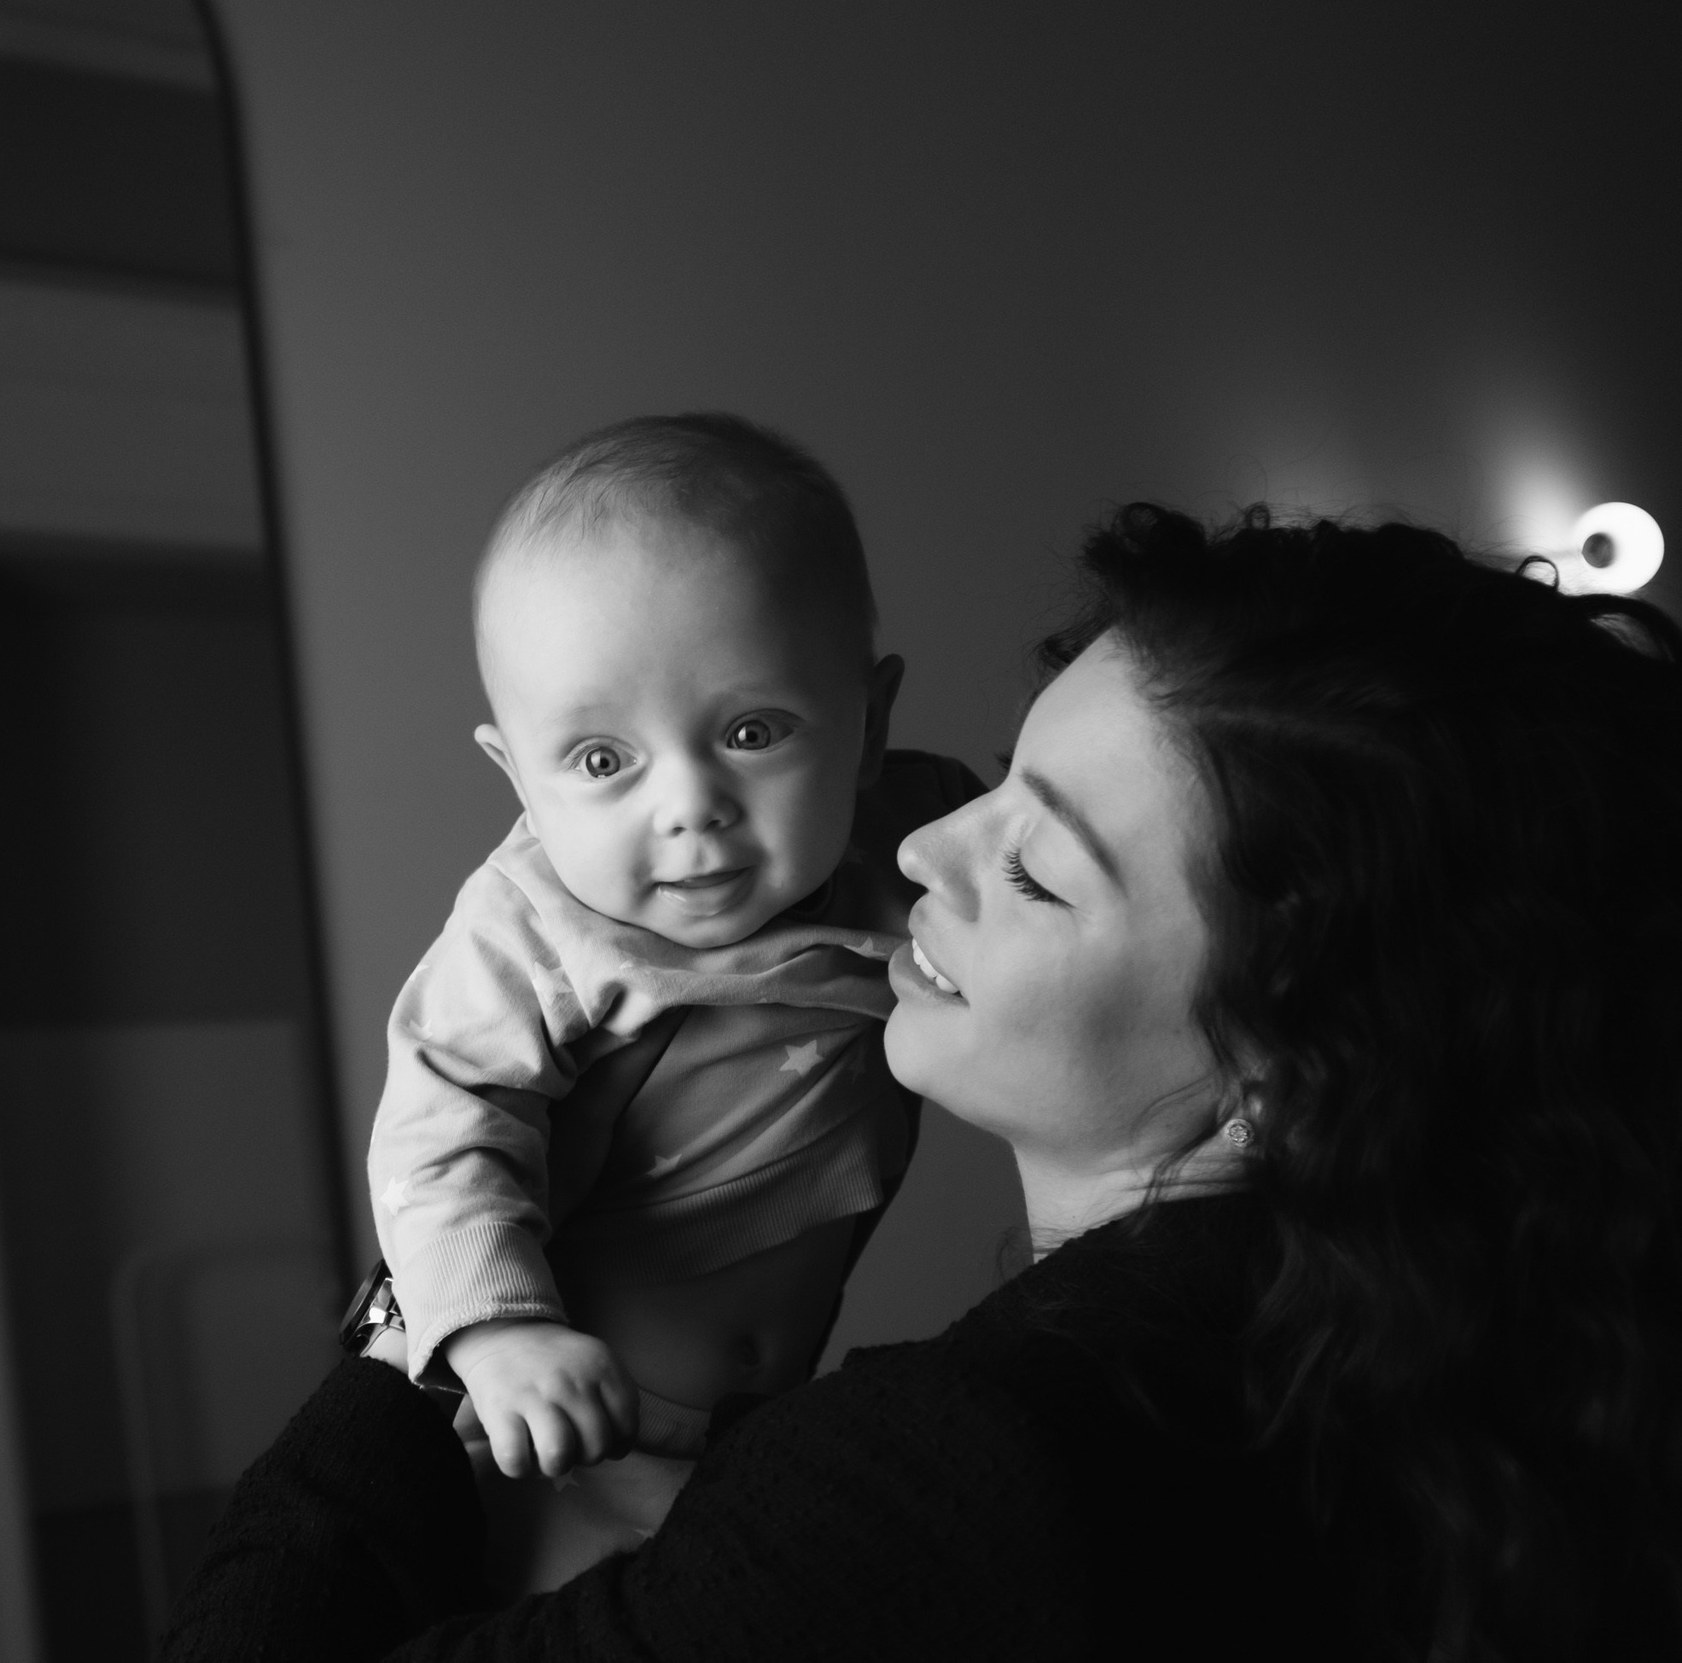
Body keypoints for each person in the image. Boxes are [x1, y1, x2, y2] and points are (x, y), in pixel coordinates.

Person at [166, 506, 1682, 1661]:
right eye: (997, 783)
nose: (916, 846)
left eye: (1031, 864)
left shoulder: (972, 1471)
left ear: (1293, 1073)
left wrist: (404, 1338)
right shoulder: (1382, 1386)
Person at [366, 414, 980, 1587]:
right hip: (570, 1434)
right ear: (518, 779)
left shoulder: (917, 839)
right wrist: (500, 1335)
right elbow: (442, 1127)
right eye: (602, 760)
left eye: (752, 731)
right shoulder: (532, 929)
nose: (691, 805)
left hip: (763, 1428)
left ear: (869, 726)